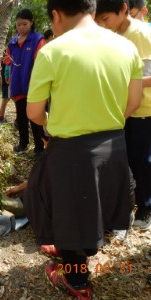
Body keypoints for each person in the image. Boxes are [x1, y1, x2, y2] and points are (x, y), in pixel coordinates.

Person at [24, 0, 143, 299]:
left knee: (68, 213)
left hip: (71, 150)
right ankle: (81, 258)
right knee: (95, 206)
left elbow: (34, 113)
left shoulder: (53, 50)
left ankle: (77, 281)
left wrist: (55, 125)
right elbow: (134, 102)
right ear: (91, 8)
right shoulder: (125, 47)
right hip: (114, 144)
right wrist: (106, 121)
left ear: (55, 14)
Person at [96, 0, 151, 231]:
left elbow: (148, 77)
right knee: (126, 160)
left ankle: (146, 209)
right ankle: (128, 206)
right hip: (125, 108)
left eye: (105, 19)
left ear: (123, 9)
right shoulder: (114, 35)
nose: (102, 25)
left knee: (142, 161)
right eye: (98, 21)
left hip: (144, 110)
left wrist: (123, 82)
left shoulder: (138, 34)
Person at [4, 9, 46, 160]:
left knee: (35, 118)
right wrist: (7, 76)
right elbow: (8, 63)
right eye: (18, 24)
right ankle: (23, 143)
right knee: (21, 117)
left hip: (33, 86)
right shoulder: (12, 42)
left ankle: (39, 147)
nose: (21, 27)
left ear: (32, 22)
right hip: (17, 86)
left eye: (24, 24)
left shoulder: (38, 40)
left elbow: (41, 64)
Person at [0, 50, 11, 123]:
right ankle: (1, 117)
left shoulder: (5, 54)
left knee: (8, 97)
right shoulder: (6, 54)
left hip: (5, 79)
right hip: (5, 80)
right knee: (5, 98)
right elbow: (6, 68)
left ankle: (0, 113)